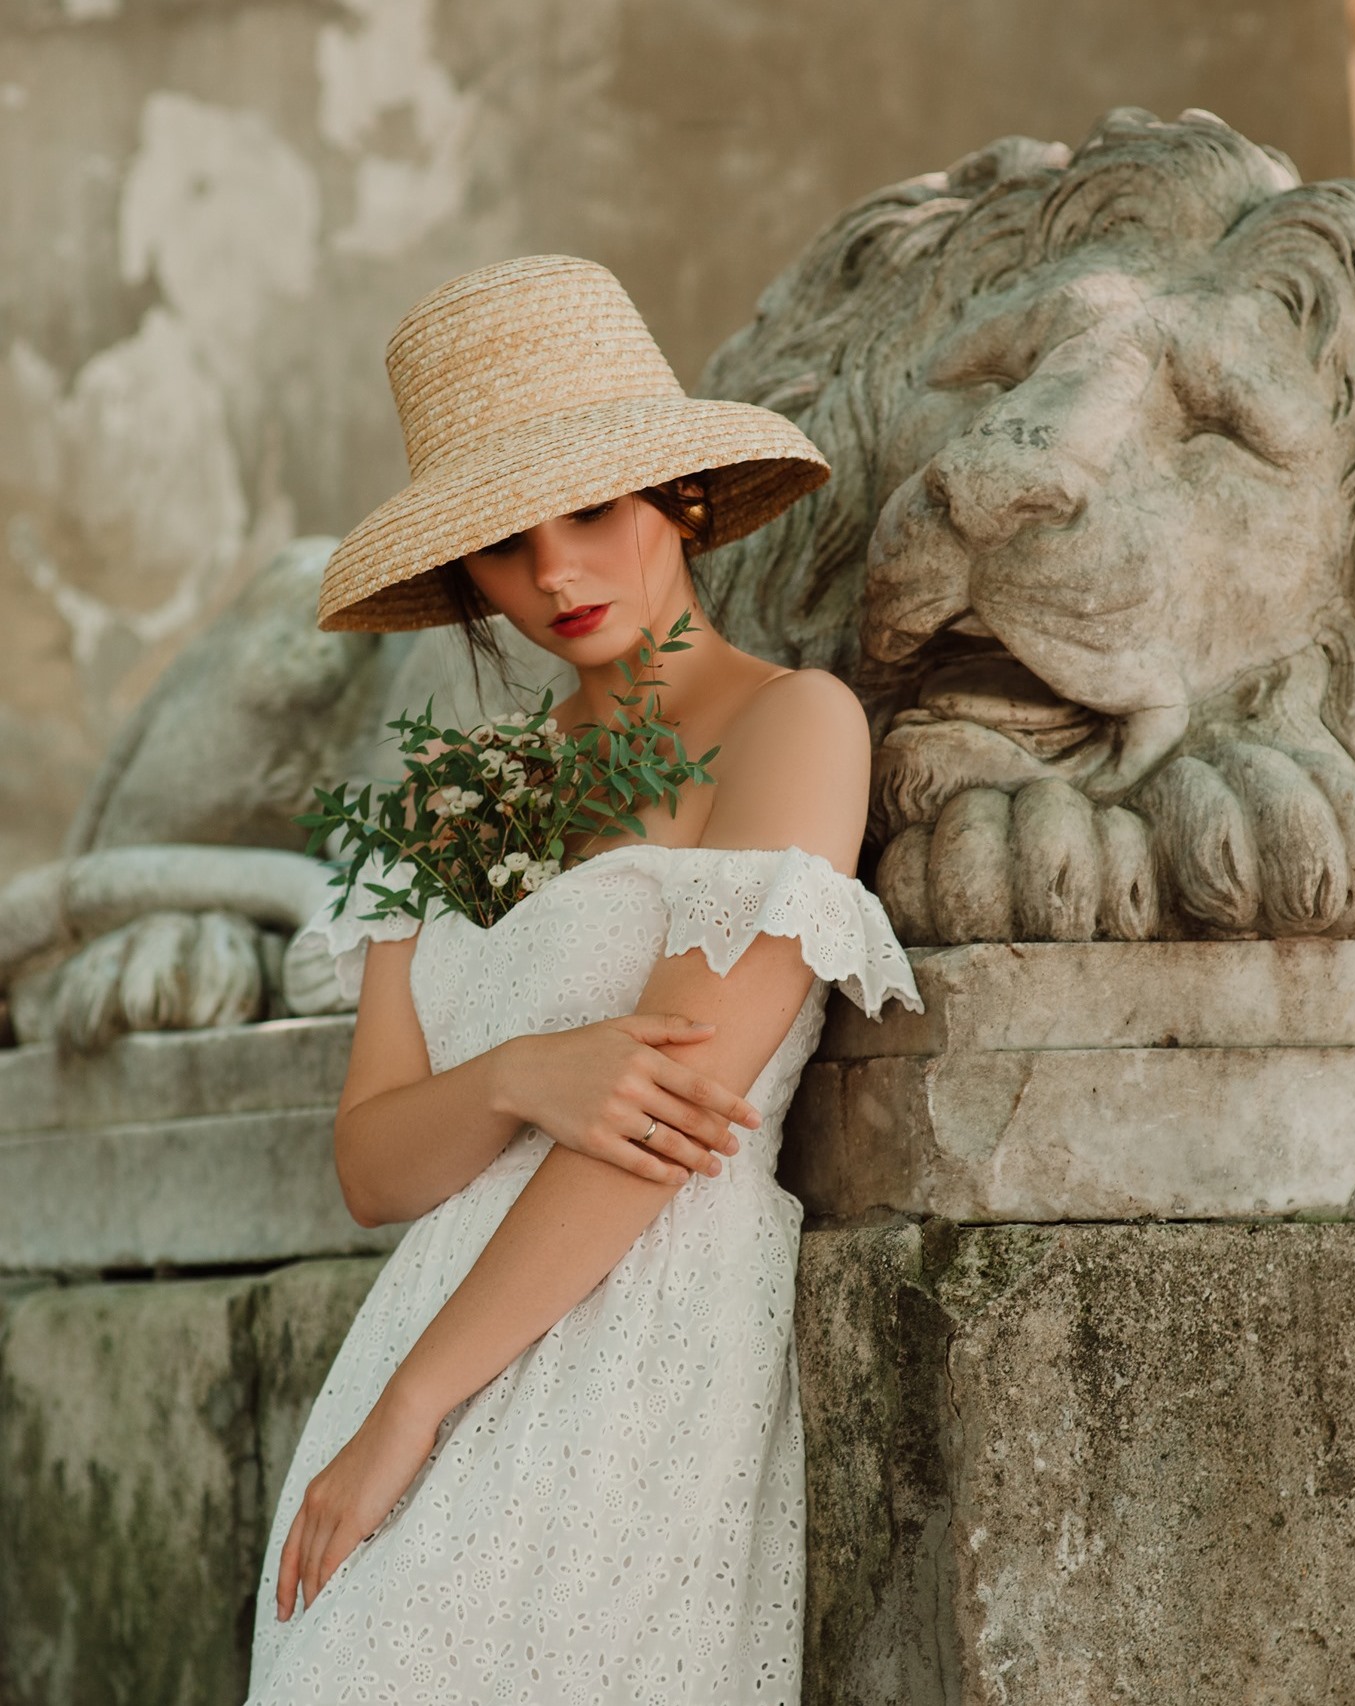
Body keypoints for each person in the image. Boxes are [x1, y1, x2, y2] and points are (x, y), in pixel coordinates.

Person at [244, 253, 922, 1704]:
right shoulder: (460, 798)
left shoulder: (787, 728)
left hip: (626, 1346)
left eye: (591, 512)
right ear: (463, 574)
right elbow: (372, 1161)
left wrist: (415, 1410)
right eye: (503, 544)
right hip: (413, 1352)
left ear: (676, 499)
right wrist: (512, 1073)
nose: (553, 573)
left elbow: (672, 1118)